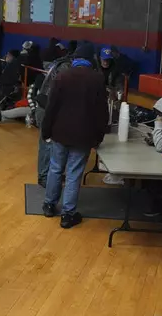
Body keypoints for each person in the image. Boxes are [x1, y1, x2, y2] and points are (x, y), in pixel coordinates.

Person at [41, 58, 108, 228]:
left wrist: (46, 130)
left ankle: (49, 205)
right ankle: (67, 215)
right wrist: (99, 136)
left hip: (60, 132)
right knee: (74, 173)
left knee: (55, 168)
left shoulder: (62, 76)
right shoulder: (97, 79)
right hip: (83, 136)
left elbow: (51, 107)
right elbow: (102, 111)